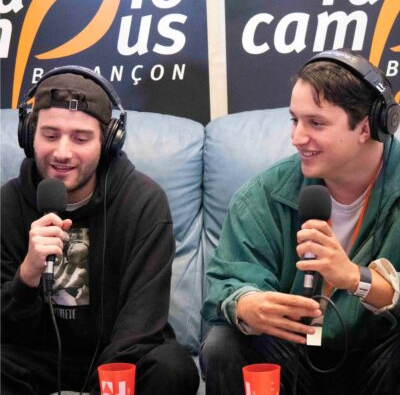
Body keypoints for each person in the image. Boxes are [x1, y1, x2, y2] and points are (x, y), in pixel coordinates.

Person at [200, 48, 400, 395]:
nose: (297, 138)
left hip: (381, 360)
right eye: (295, 120)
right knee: (224, 345)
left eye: (316, 123)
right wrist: (247, 304)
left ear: (366, 127)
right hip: (296, 357)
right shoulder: (264, 194)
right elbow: (230, 280)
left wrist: (356, 278)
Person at [1, 67, 199, 395]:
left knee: (172, 368)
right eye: (50, 135)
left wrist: (104, 385)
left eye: (81, 138)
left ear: (108, 142)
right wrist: (27, 275)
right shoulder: (8, 204)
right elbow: (7, 330)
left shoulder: (143, 203)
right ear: (28, 135)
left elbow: (141, 324)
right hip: (37, 357)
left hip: (122, 355)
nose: (62, 152)